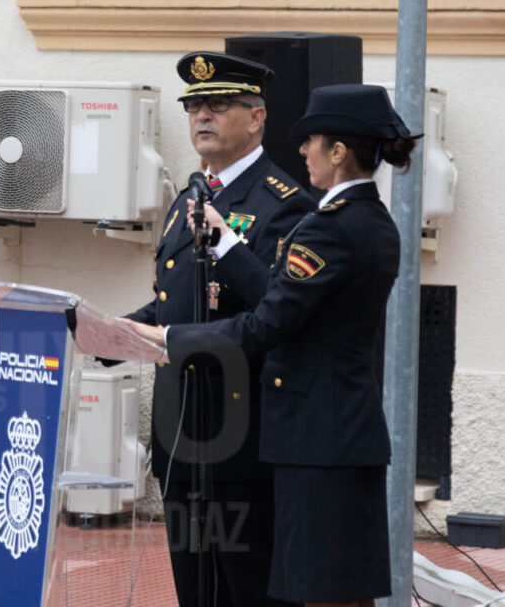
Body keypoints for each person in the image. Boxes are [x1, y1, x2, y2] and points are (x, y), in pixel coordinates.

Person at [124, 84, 421, 607]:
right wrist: (221, 245)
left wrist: (170, 340)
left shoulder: (325, 225)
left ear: (338, 151)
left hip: (310, 437)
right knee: (332, 588)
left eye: (311, 140)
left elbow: (266, 322)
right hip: (320, 435)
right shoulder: (367, 220)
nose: (302, 150)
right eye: (193, 107)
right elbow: (259, 299)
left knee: (314, 589)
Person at [122, 51, 313, 607]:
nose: (202, 116)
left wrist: (227, 242)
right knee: (196, 591)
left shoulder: (283, 204)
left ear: (256, 118)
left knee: (245, 590)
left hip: (239, 440)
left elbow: (277, 309)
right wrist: (108, 332)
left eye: (219, 105)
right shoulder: (188, 197)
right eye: (195, 107)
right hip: (181, 435)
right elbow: (173, 305)